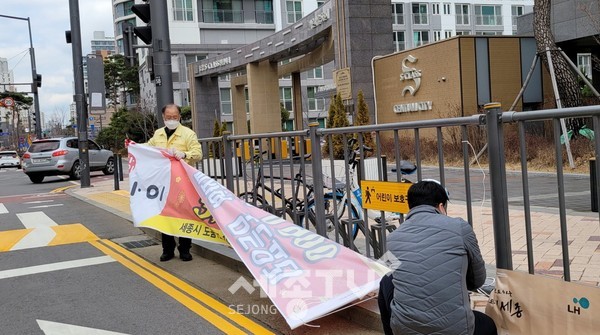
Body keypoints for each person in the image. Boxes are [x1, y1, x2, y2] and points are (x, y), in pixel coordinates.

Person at [378, 180, 497, 335]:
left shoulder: (392, 238)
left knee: (386, 281)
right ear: (441, 206)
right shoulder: (460, 227)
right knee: (488, 324)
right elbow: (478, 281)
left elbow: (388, 273)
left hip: (404, 329)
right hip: (456, 330)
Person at [147, 103, 202, 262]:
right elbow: (148, 149)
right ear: (163, 117)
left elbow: (198, 153)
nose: (172, 119)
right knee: (166, 216)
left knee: (184, 215)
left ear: (179, 117)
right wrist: (133, 147)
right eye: (168, 117)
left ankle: (185, 249)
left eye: (175, 117)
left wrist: (185, 154)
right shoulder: (158, 134)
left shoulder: (188, 134)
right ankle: (167, 250)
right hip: (163, 182)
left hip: (183, 182)